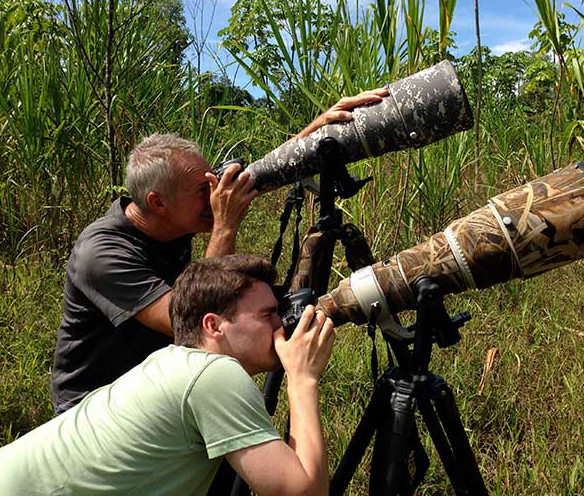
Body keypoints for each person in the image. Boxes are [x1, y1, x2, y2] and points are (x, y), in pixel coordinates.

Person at [50, 89, 388, 414]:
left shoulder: (171, 217)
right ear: (158, 202)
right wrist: (224, 226)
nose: (215, 193)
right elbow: (193, 323)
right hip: (99, 406)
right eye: (203, 189)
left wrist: (318, 132)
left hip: (158, 381)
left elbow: (255, 176)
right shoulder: (103, 253)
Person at [0, 255, 335, 495]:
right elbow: (301, 492)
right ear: (214, 325)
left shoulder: (173, 364)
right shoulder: (213, 376)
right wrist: (302, 379)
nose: (280, 324)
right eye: (267, 314)